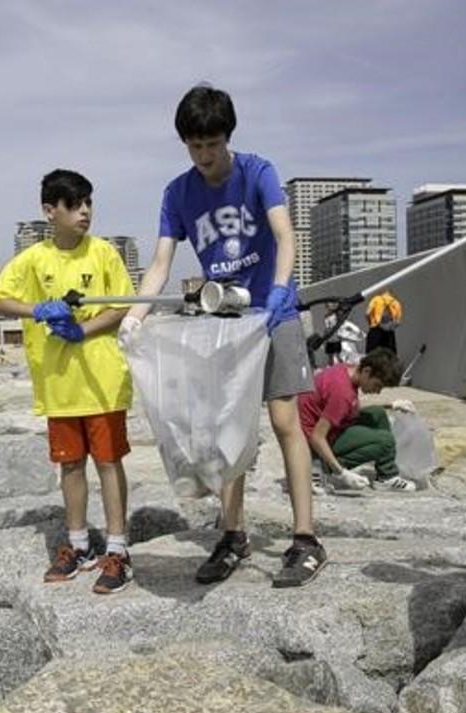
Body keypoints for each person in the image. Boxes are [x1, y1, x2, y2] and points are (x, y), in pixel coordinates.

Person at [121, 84, 324, 588]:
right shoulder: (177, 193)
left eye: (213, 144)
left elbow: (284, 235)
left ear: (228, 137)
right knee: (226, 427)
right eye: (196, 146)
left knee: (284, 421)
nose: (206, 156)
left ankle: (305, 538)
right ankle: (233, 534)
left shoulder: (258, 171)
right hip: (226, 322)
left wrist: (280, 290)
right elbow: (161, 264)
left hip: (272, 315)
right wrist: (135, 315)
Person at [0, 169, 136, 595]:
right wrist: (39, 310)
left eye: (88, 202)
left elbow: (122, 305)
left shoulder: (104, 253)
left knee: (108, 462)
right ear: (50, 211)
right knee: (70, 463)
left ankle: (119, 550)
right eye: (74, 204)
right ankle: (78, 545)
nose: (84, 211)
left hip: (102, 378)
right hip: (58, 383)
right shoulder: (34, 259)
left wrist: (83, 331)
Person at [297, 348, 417, 493]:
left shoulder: (345, 371)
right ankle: (320, 466)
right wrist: (342, 474)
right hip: (314, 444)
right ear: (367, 371)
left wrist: (391, 405)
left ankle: (386, 477)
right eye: (378, 385)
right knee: (385, 441)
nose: (377, 391)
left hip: (325, 429)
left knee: (377, 414)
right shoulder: (342, 392)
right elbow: (317, 437)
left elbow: (349, 407)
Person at [365, 288, 401, 355]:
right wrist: (390, 326)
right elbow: (397, 322)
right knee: (390, 354)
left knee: (371, 353)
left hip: (375, 329)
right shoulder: (396, 303)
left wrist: (371, 324)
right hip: (389, 332)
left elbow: (367, 313)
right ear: (391, 294)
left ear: (382, 293)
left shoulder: (376, 299)